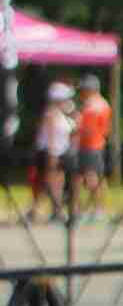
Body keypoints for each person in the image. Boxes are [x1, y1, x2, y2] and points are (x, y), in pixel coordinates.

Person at [33, 82, 73, 222]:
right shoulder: (50, 114)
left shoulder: (63, 114)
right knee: (51, 183)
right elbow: (51, 137)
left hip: (61, 152)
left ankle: (54, 210)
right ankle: (49, 210)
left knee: (59, 183)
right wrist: (52, 156)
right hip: (51, 153)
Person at [72, 72, 111, 219]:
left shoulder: (92, 107)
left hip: (90, 146)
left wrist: (77, 126)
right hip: (96, 144)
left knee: (91, 177)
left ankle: (97, 209)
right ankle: (93, 208)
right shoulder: (102, 104)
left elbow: (87, 129)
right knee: (95, 176)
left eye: (83, 90)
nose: (81, 93)